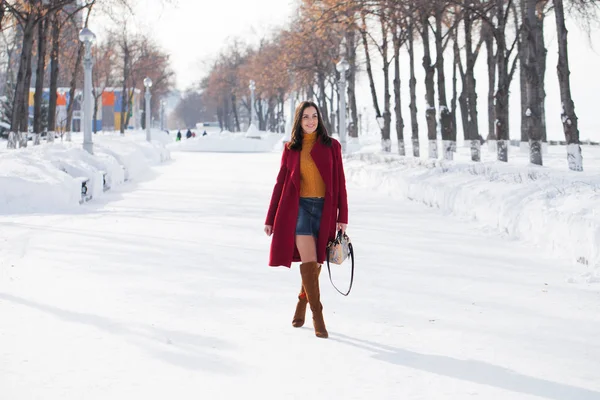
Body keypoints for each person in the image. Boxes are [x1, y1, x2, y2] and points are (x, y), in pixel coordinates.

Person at [264, 101, 348, 339]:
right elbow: (280, 184)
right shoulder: (291, 148)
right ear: (298, 121)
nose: (311, 121)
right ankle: (318, 316)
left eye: (314, 116)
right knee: (309, 262)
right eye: (305, 117)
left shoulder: (332, 146)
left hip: (326, 211)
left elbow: (340, 182)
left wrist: (344, 215)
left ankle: (302, 301)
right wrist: (270, 218)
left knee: (316, 265)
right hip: (300, 210)